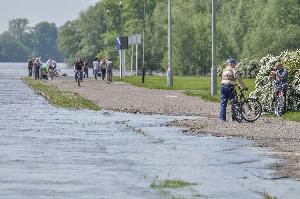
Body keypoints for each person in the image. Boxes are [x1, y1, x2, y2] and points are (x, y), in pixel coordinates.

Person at [220, 58, 247, 122]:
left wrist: (236, 84)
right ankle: (235, 118)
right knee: (235, 103)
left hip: (223, 87)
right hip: (230, 88)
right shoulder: (232, 70)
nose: (235, 65)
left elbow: (228, 79)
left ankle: (222, 119)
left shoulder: (224, 70)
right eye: (234, 63)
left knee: (223, 103)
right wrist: (244, 86)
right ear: (231, 63)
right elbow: (238, 78)